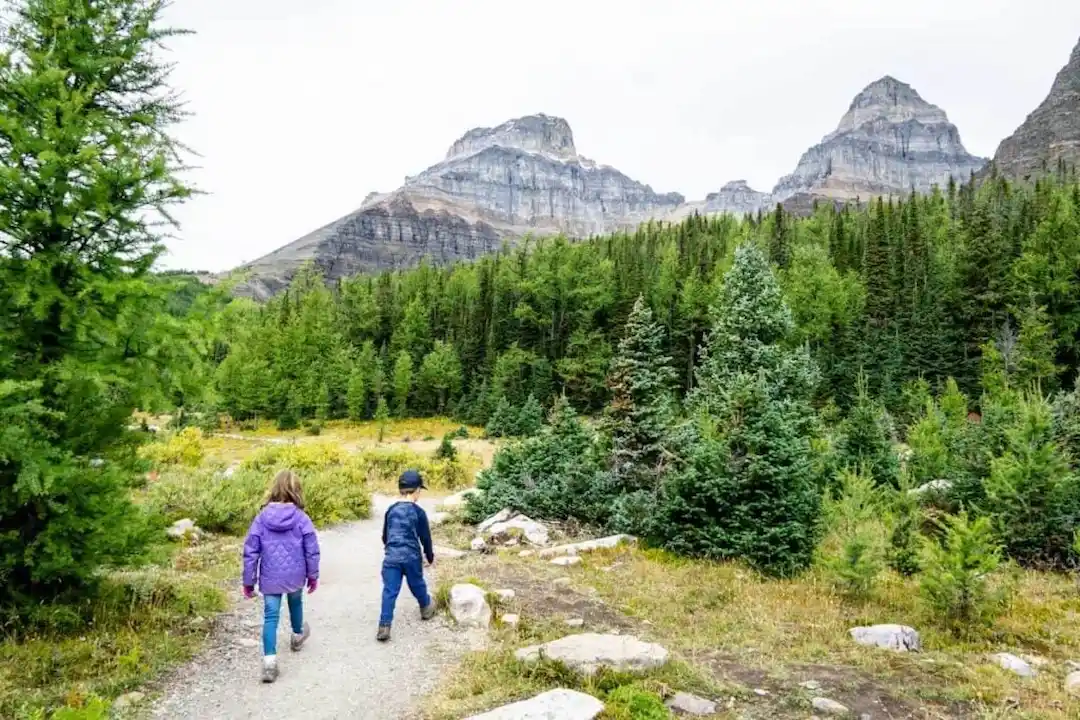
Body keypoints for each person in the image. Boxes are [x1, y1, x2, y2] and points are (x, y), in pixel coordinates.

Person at [242, 469, 321, 683]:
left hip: (270, 576)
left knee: (270, 616)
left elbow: (251, 551)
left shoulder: (261, 518)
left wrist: (248, 581)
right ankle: (297, 636)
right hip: (295, 574)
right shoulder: (302, 518)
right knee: (295, 601)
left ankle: (269, 664)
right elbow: (311, 549)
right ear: (296, 491)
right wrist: (313, 575)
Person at [378, 469, 436, 642]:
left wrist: (390, 550)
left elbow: (385, 536)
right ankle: (426, 607)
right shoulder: (419, 513)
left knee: (390, 590)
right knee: (417, 583)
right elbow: (426, 537)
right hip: (411, 557)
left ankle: (384, 625)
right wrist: (429, 556)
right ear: (417, 491)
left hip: (392, 558)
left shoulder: (391, 510)